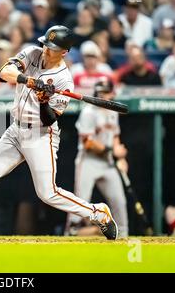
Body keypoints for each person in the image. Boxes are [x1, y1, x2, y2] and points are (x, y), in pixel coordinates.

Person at [0, 25, 119, 241]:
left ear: (65, 52)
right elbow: (3, 73)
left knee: (47, 193)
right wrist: (27, 80)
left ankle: (98, 213)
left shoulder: (64, 79)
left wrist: (43, 100)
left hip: (41, 135)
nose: (46, 50)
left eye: (52, 47)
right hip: (16, 129)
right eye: (46, 44)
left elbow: (49, 118)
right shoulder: (32, 53)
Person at [67, 79, 128, 238]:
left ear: (112, 93)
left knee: (119, 202)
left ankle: (122, 236)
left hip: (107, 163)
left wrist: (120, 158)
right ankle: (71, 232)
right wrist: (113, 151)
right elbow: (88, 143)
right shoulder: (89, 112)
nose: (102, 96)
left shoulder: (114, 111)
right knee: (81, 202)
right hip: (89, 161)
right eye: (100, 93)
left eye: (105, 92)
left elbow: (115, 136)